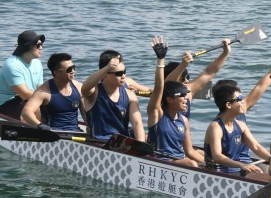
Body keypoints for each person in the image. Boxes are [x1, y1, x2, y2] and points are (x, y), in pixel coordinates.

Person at [147, 37, 205, 167]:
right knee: (191, 164)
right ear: (170, 99)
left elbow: (189, 151)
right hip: (161, 162)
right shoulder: (157, 114)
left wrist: (211, 164)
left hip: (181, 159)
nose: (186, 98)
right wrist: (160, 60)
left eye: (186, 95)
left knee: (203, 155)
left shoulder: (183, 120)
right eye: (182, 95)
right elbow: (159, 88)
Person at [204, 80, 270, 177]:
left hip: (237, 168)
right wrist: (241, 165)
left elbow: (256, 147)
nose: (243, 101)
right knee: (268, 179)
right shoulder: (216, 127)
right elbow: (217, 156)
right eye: (239, 98)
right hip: (219, 172)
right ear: (228, 105)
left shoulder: (241, 125)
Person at [82, 51, 146, 142]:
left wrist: (141, 146)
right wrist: (107, 67)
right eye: (119, 73)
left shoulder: (130, 95)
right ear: (105, 74)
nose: (123, 76)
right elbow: (84, 88)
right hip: (98, 143)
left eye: (124, 72)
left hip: (121, 144)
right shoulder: (93, 92)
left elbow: (137, 124)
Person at [163, 38, 232, 118]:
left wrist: (225, 53)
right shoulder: (160, 94)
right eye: (182, 78)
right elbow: (168, 84)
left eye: (187, 77)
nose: (186, 81)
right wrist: (183, 65)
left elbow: (209, 72)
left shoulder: (189, 92)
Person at [20, 52, 82, 131]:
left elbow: (86, 114)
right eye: (69, 69)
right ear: (56, 72)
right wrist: (39, 125)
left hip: (75, 132)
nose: (73, 71)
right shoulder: (43, 91)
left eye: (73, 67)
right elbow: (26, 112)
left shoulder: (79, 87)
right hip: (53, 133)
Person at [0, 30, 45, 118]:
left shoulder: (37, 63)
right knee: (34, 108)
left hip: (28, 100)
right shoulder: (12, 65)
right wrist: (47, 97)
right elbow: (24, 94)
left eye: (41, 44)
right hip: (4, 106)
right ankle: (39, 128)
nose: (41, 48)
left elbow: (40, 89)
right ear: (27, 46)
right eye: (38, 45)